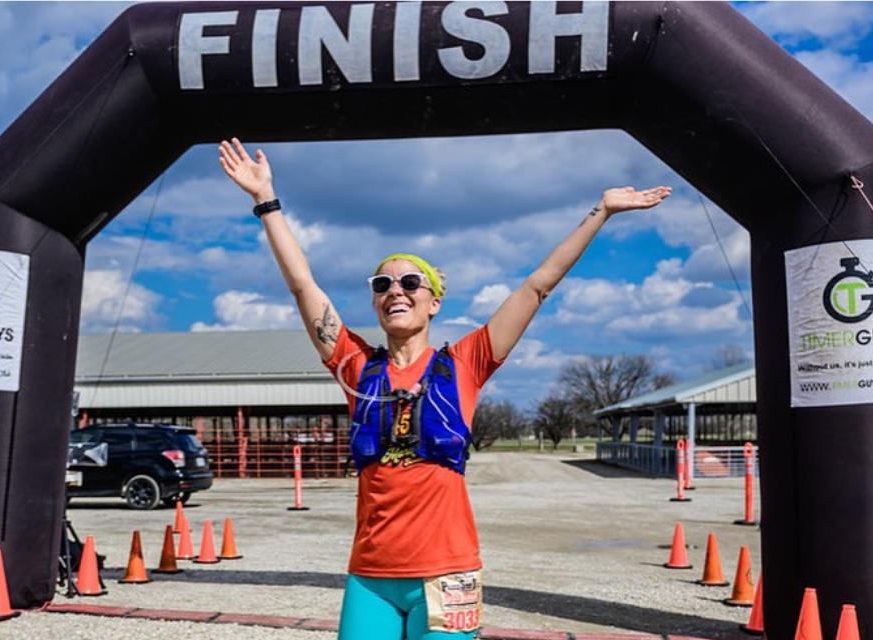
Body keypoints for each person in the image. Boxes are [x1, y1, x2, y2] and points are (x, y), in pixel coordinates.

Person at [217, 137, 670, 640]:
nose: (395, 292)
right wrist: (265, 201)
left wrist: (601, 211)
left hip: (448, 572)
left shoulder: (465, 364)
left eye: (411, 283)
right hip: (371, 577)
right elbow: (304, 286)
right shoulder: (356, 368)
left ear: (434, 302)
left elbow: (537, 287)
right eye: (382, 285)